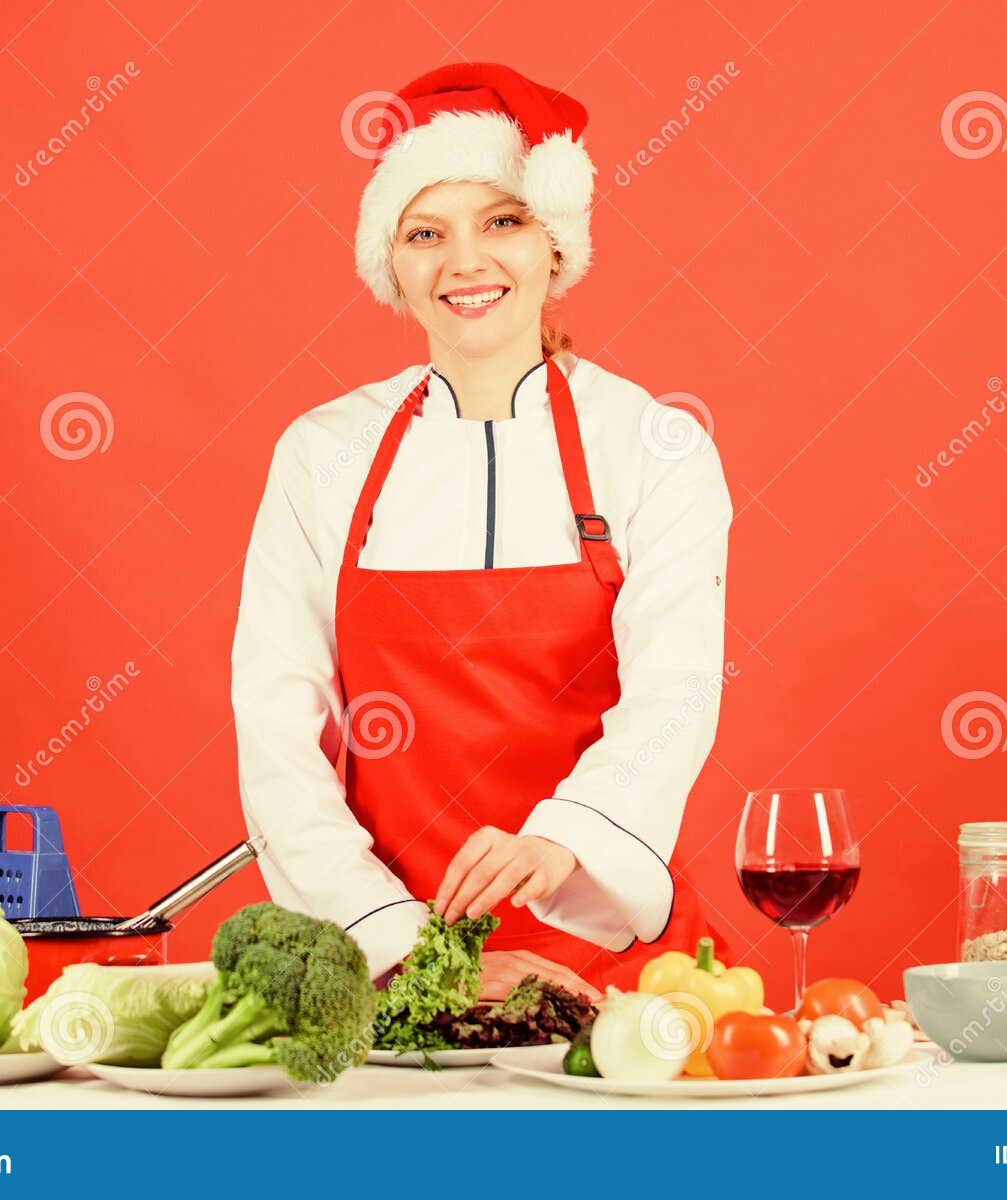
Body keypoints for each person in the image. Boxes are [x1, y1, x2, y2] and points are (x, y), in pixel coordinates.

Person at [233, 62, 733, 997]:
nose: (465, 262)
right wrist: (398, 943)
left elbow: (676, 695)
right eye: (426, 234)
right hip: (387, 966)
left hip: (611, 963)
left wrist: (566, 838)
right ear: (395, 265)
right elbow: (276, 731)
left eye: (501, 221)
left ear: (555, 246)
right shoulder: (322, 453)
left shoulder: (655, 446)